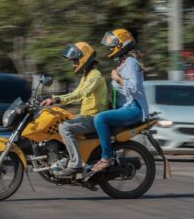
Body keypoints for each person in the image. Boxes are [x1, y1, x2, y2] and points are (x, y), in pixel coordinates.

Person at [41, 42, 108, 175]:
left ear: (85, 58)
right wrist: (51, 99)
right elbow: (75, 93)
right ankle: (63, 159)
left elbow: (79, 95)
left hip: (94, 118)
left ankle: (75, 164)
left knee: (64, 127)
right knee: (57, 122)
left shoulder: (95, 75)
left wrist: (56, 99)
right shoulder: (86, 76)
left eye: (75, 60)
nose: (73, 64)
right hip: (86, 116)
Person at [92, 28, 149, 172]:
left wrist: (117, 78)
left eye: (112, 45)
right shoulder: (123, 63)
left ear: (121, 44)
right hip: (125, 108)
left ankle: (107, 157)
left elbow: (134, 88)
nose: (110, 48)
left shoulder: (130, 62)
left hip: (134, 108)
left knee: (100, 119)